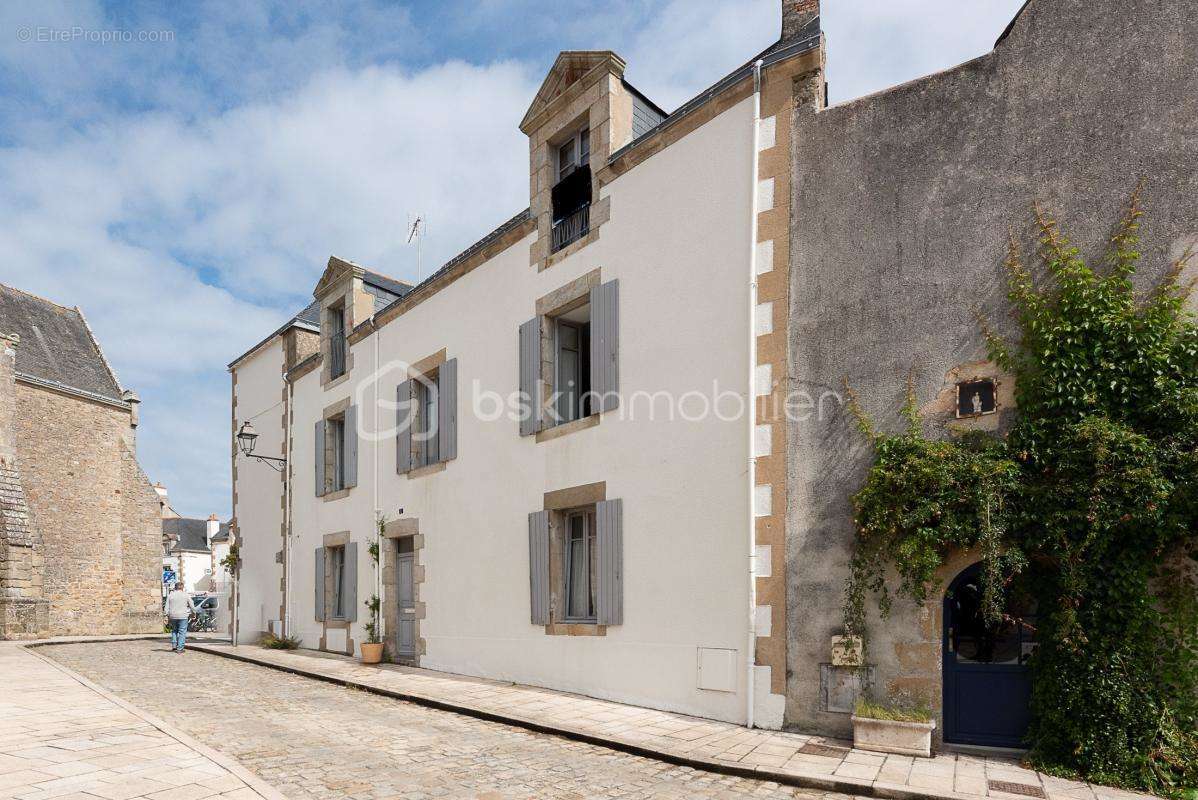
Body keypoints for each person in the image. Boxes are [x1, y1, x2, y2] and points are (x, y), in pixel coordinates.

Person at [165, 582, 194, 653]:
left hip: (173, 616)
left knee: (174, 630)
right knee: (182, 631)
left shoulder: (170, 595)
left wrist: (166, 615)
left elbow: (166, 607)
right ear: (182, 587)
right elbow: (192, 605)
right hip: (183, 616)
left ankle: (174, 646)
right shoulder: (186, 595)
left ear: (175, 587)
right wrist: (194, 612)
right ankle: (180, 648)